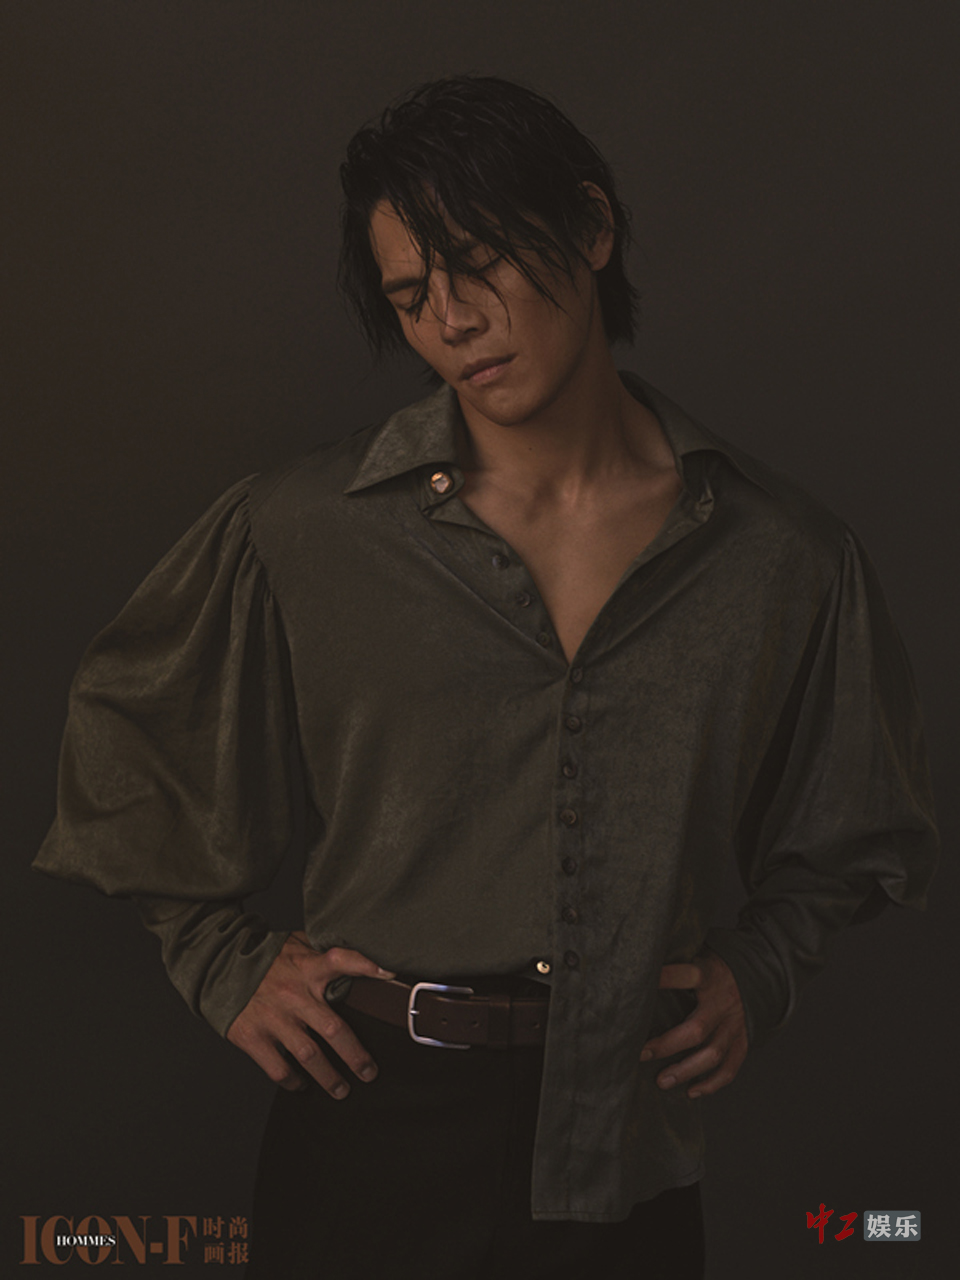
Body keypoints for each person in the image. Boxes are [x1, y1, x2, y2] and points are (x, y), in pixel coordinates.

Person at [35, 76, 938, 1279]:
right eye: (411, 295)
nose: (453, 320)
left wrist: (763, 966)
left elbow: (857, 824)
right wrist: (220, 959)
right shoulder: (303, 525)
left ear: (591, 226)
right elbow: (129, 745)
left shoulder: (780, 553)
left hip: (623, 1139)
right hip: (367, 1126)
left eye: (479, 264)